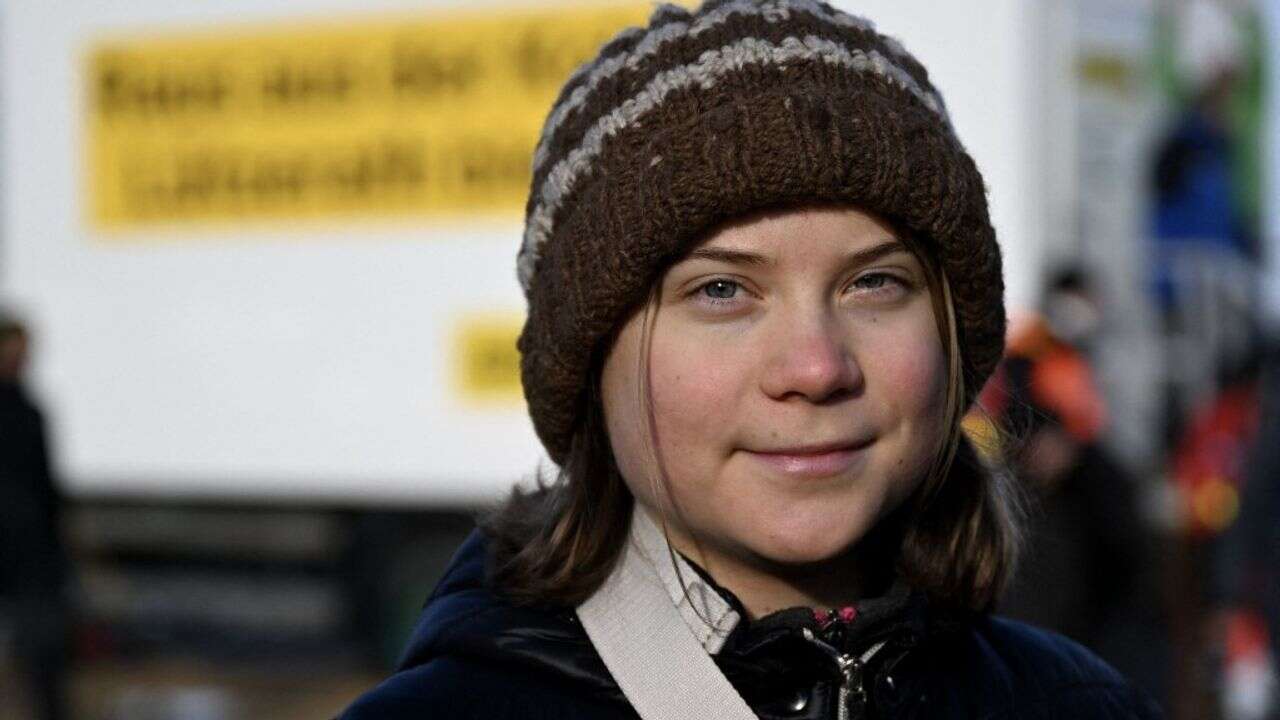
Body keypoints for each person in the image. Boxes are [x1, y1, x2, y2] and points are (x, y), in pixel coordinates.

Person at [341, 2, 1162, 717]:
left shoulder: (1083, 703)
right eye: (723, 291)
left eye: (874, 282)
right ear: (591, 358)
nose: (815, 367)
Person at [0, 313, 72, 720]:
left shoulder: (30, 411)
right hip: (22, 547)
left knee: (43, 653)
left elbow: (45, 487)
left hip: (30, 550)